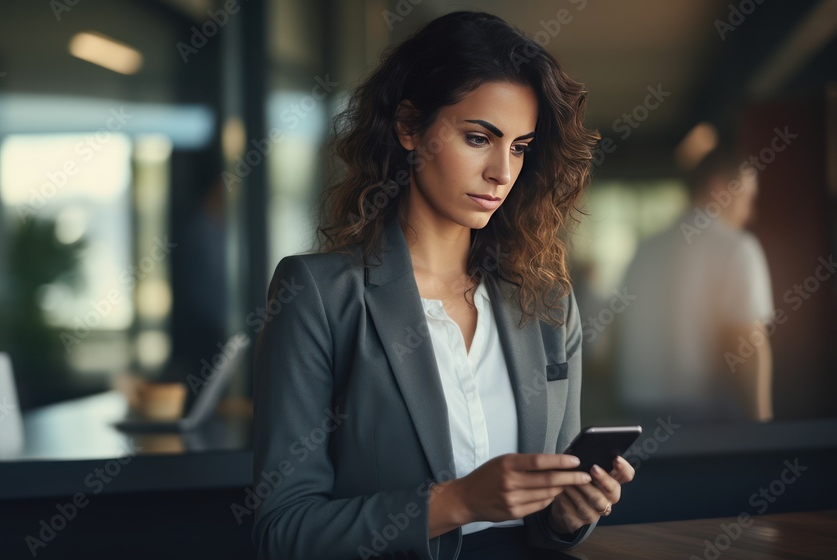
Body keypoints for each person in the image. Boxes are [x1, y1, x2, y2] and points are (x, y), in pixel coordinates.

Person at [251, 11, 635, 559]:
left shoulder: (548, 303)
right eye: (479, 137)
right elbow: (283, 532)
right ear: (410, 127)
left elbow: (550, 521)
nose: (502, 171)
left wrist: (567, 517)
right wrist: (456, 502)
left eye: (521, 146)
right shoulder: (319, 294)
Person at [614, 145, 774, 425]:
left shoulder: (645, 249)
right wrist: (762, 424)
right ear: (719, 187)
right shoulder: (736, 247)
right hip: (706, 418)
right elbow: (748, 342)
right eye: (747, 197)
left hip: (637, 415)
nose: (751, 213)